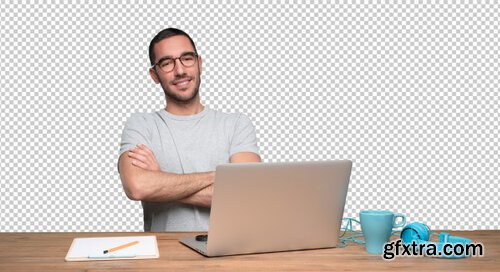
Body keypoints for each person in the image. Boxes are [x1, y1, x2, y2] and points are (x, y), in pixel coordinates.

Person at [118, 28, 261, 231]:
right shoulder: (141, 124)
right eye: (167, 63)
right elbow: (137, 186)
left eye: (187, 58)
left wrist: (161, 180)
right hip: (164, 257)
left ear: (199, 63)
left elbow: (248, 193)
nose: (180, 71)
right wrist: (219, 176)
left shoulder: (236, 123)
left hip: (229, 255)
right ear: (154, 75)